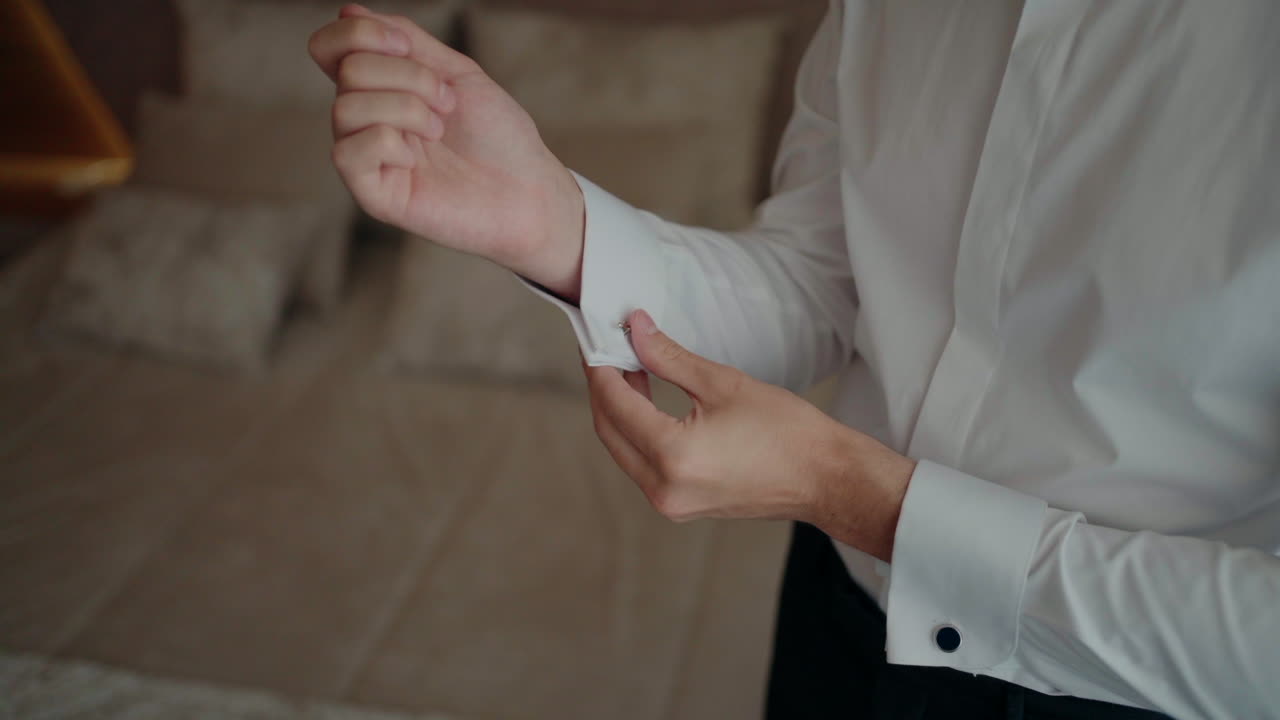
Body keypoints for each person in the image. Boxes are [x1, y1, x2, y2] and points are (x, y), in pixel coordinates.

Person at [308, 2, 1279, 718]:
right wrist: (557, 223)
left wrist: (848, 488)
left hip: (1129, 691)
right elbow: (825, 275)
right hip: (835, 606)